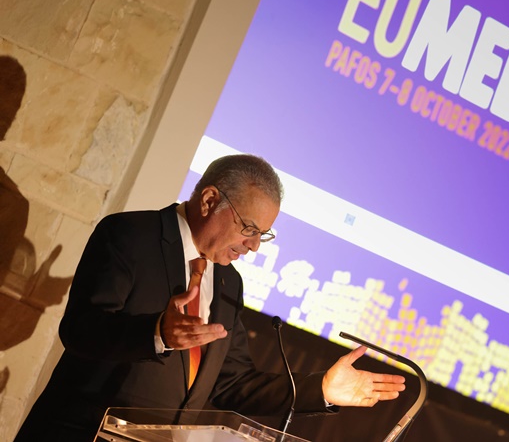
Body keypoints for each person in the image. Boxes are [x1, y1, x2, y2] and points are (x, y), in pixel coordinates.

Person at [14, 154, 405, 441]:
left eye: (263, 235)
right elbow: (81, 330)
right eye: (249, 229)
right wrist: (156, 333)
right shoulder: (130, 236)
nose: (254, 246)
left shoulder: (229, 283)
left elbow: (233, 383)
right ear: (208, 201)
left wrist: (320, 389)